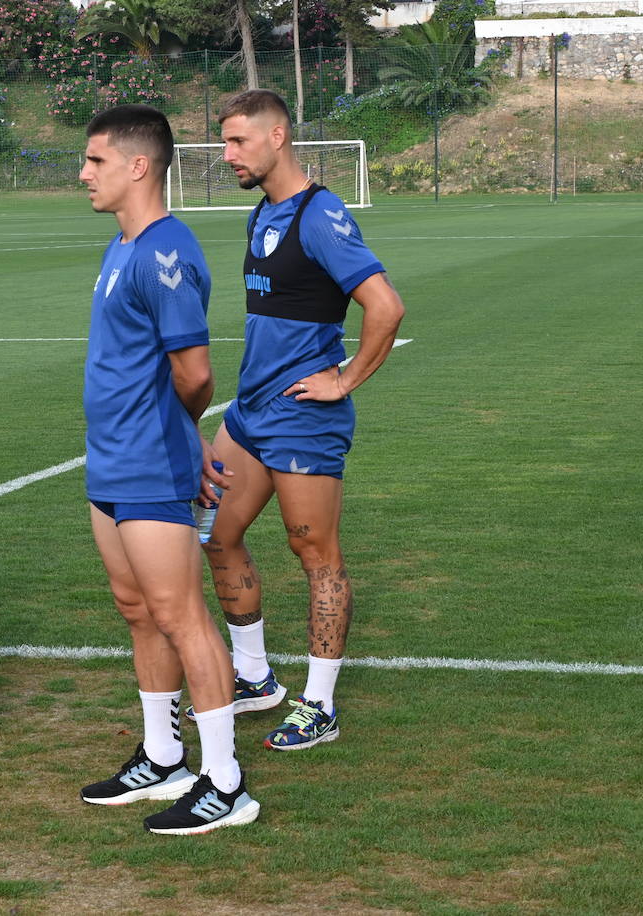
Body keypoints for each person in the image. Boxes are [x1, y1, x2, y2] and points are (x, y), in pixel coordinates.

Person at [199, 88, 405, 751]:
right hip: (252, 410)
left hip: (303, 420)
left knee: (315, 555)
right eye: (225, 141)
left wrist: (344, 378)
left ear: (277, 136)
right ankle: (256, 677)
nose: (226, 154)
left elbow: (385, 306)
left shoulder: (321, 215)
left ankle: (320, 705)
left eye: (237, 141)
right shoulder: (264, 211)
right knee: (215, 532)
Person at [76, 104, 259, 835]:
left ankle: (226, 781)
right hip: (110, 463)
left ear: (137, 166)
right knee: (138, 610)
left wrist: (178, 438)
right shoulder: (121, 247)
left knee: (184, 619)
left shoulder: (164, 252)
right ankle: (161, 756)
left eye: (94, 161)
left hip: (150, 463)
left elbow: (196, 375)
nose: (84, 174)